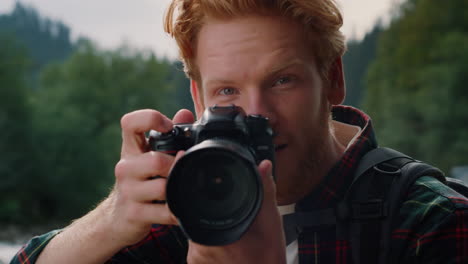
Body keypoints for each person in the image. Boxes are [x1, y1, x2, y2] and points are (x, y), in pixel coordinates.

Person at [12, 0, 468, 263]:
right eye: (227, 90)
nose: (257, 114)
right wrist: (112, 219)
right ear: (197, 97)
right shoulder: (190, 202)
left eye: (281, 80)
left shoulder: (430, 223)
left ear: (332, 78)